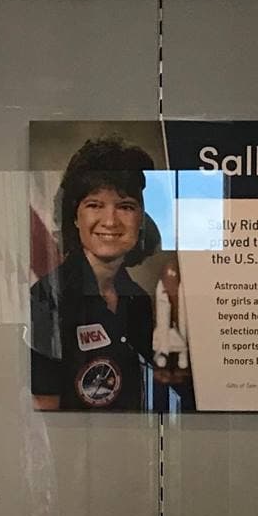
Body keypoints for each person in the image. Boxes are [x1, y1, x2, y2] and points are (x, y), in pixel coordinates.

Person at [28, 136, 194, 413]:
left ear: (141, 219)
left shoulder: (138, 300)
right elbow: (44, 413)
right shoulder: (47, 300)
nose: (110, 221)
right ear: (74, 216)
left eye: (125, 206)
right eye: (94, 205)